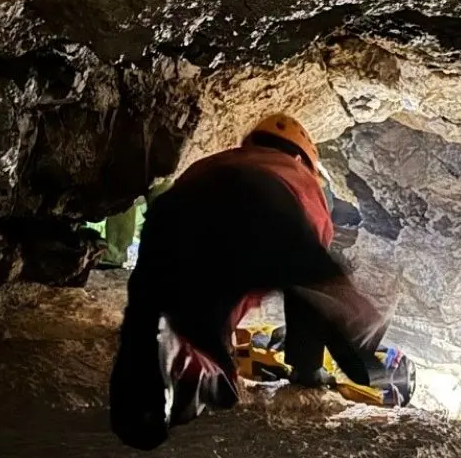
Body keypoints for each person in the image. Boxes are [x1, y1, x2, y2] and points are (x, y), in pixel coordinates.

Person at [108, 113, 392, 451]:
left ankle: (148, 400)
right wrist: (307, 370)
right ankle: (362, 358)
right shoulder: (300, 179)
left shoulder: (220, 160)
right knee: (334, 298)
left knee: (163, 320)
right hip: (263, 204)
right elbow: (305, 294)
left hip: (174, 212)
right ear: (302, 157)